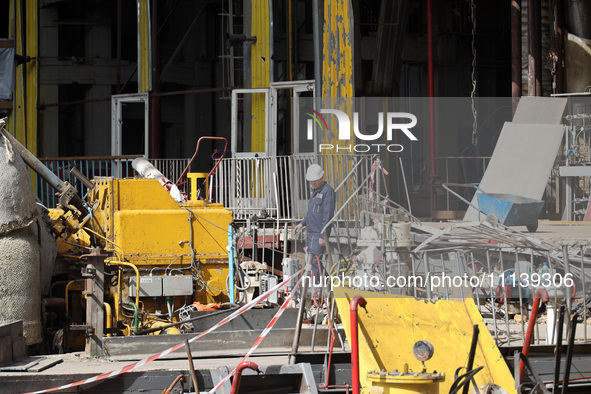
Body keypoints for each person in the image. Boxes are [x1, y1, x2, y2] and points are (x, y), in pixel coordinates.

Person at [294, 164, 336, 279]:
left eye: (315, 181)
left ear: (321, 177)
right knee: (311, 262)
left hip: (318, 234)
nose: (312, 183)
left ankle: (319, 287)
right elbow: (311, 214)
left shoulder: (328, 192)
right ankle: (328, 284)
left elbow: (328, 215)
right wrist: (301, 223)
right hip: (311, 232)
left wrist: (324, 235)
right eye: (311, 181)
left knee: (314, 263)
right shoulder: (314, 192)